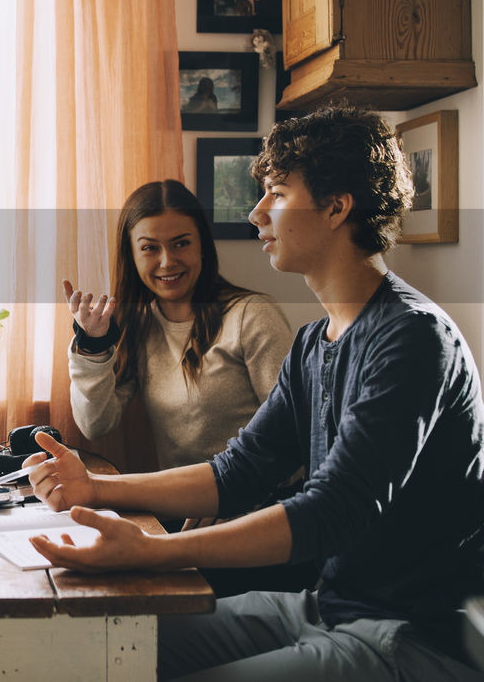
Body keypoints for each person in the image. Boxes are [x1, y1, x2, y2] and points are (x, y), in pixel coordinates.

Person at [26, 106, 484, 680]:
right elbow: (237, 472)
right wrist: (95, 487)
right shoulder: (313, 343)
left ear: (336, 207)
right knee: (86, 653)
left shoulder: (413, 337)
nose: (256, 213)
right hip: (327, 606)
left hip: (414, 637)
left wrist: (157, 551)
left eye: (276, 192)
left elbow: (332, 510)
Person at [64, 179, 309, 596]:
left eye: (181, 244)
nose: (166, 262)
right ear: (132, 253)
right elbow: (95, 424)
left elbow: (300, 439)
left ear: (202, 247)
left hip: (256, 518)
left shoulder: (251, 315)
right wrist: (92, 346)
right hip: (184, 512)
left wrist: (232, 497)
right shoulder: (138, 323)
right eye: (150, 248)